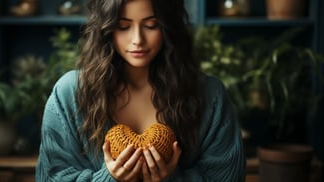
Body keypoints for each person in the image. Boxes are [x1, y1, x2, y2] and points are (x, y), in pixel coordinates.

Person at [35, 0, 246, 181]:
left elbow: (228, 176)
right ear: (105, 29)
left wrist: (172, 180)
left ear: (168, 26)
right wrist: (107, 178)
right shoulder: (70, 93)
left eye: (151, 25)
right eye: (123, 26)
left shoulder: (209, 95)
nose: (137, 40)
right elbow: (50, 176)